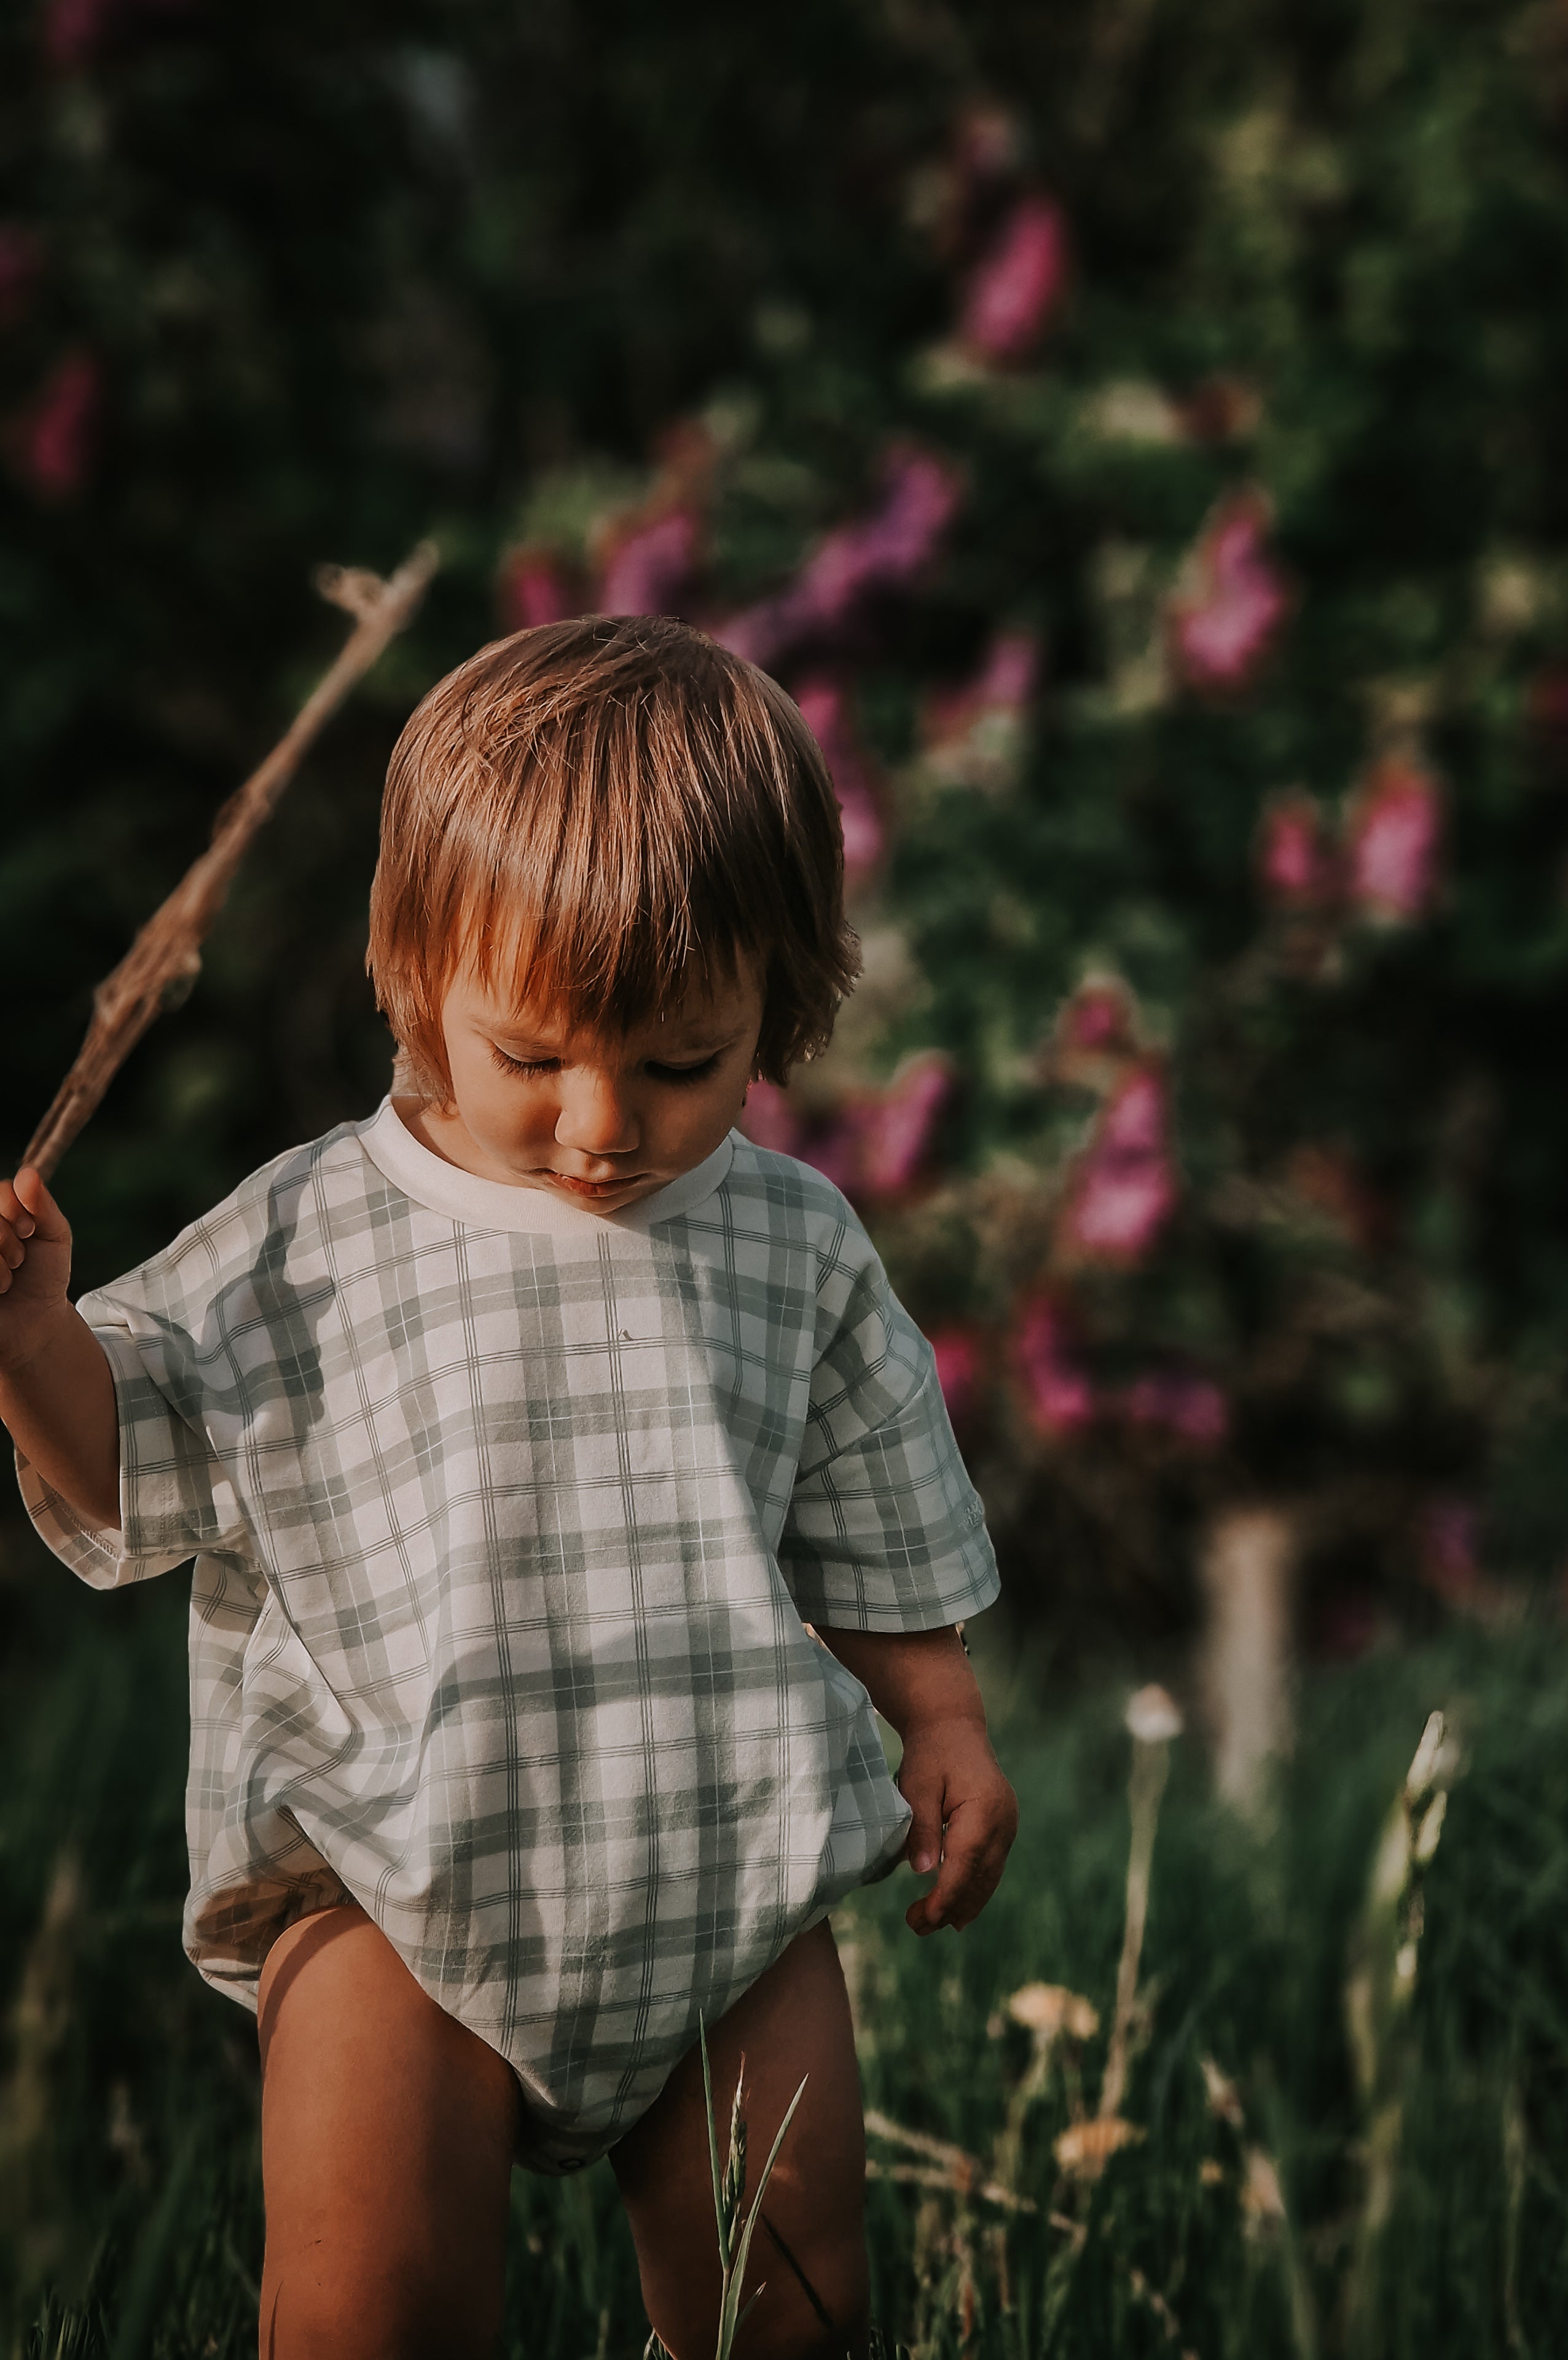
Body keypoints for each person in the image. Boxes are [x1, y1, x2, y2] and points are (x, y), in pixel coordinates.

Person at [0, 616, 1018, 2360]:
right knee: (368, 2312)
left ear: (782, 994)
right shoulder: (309, 1237)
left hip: (724, 1865)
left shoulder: (788, 1241)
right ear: (415, 971)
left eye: (684, 1062)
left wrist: (939, 1717)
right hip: (393, 1878)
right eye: (535, 1057)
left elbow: (870, 1495)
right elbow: (137, 1460)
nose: (605, 1123)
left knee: (796, 2289)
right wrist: (29, 1340)